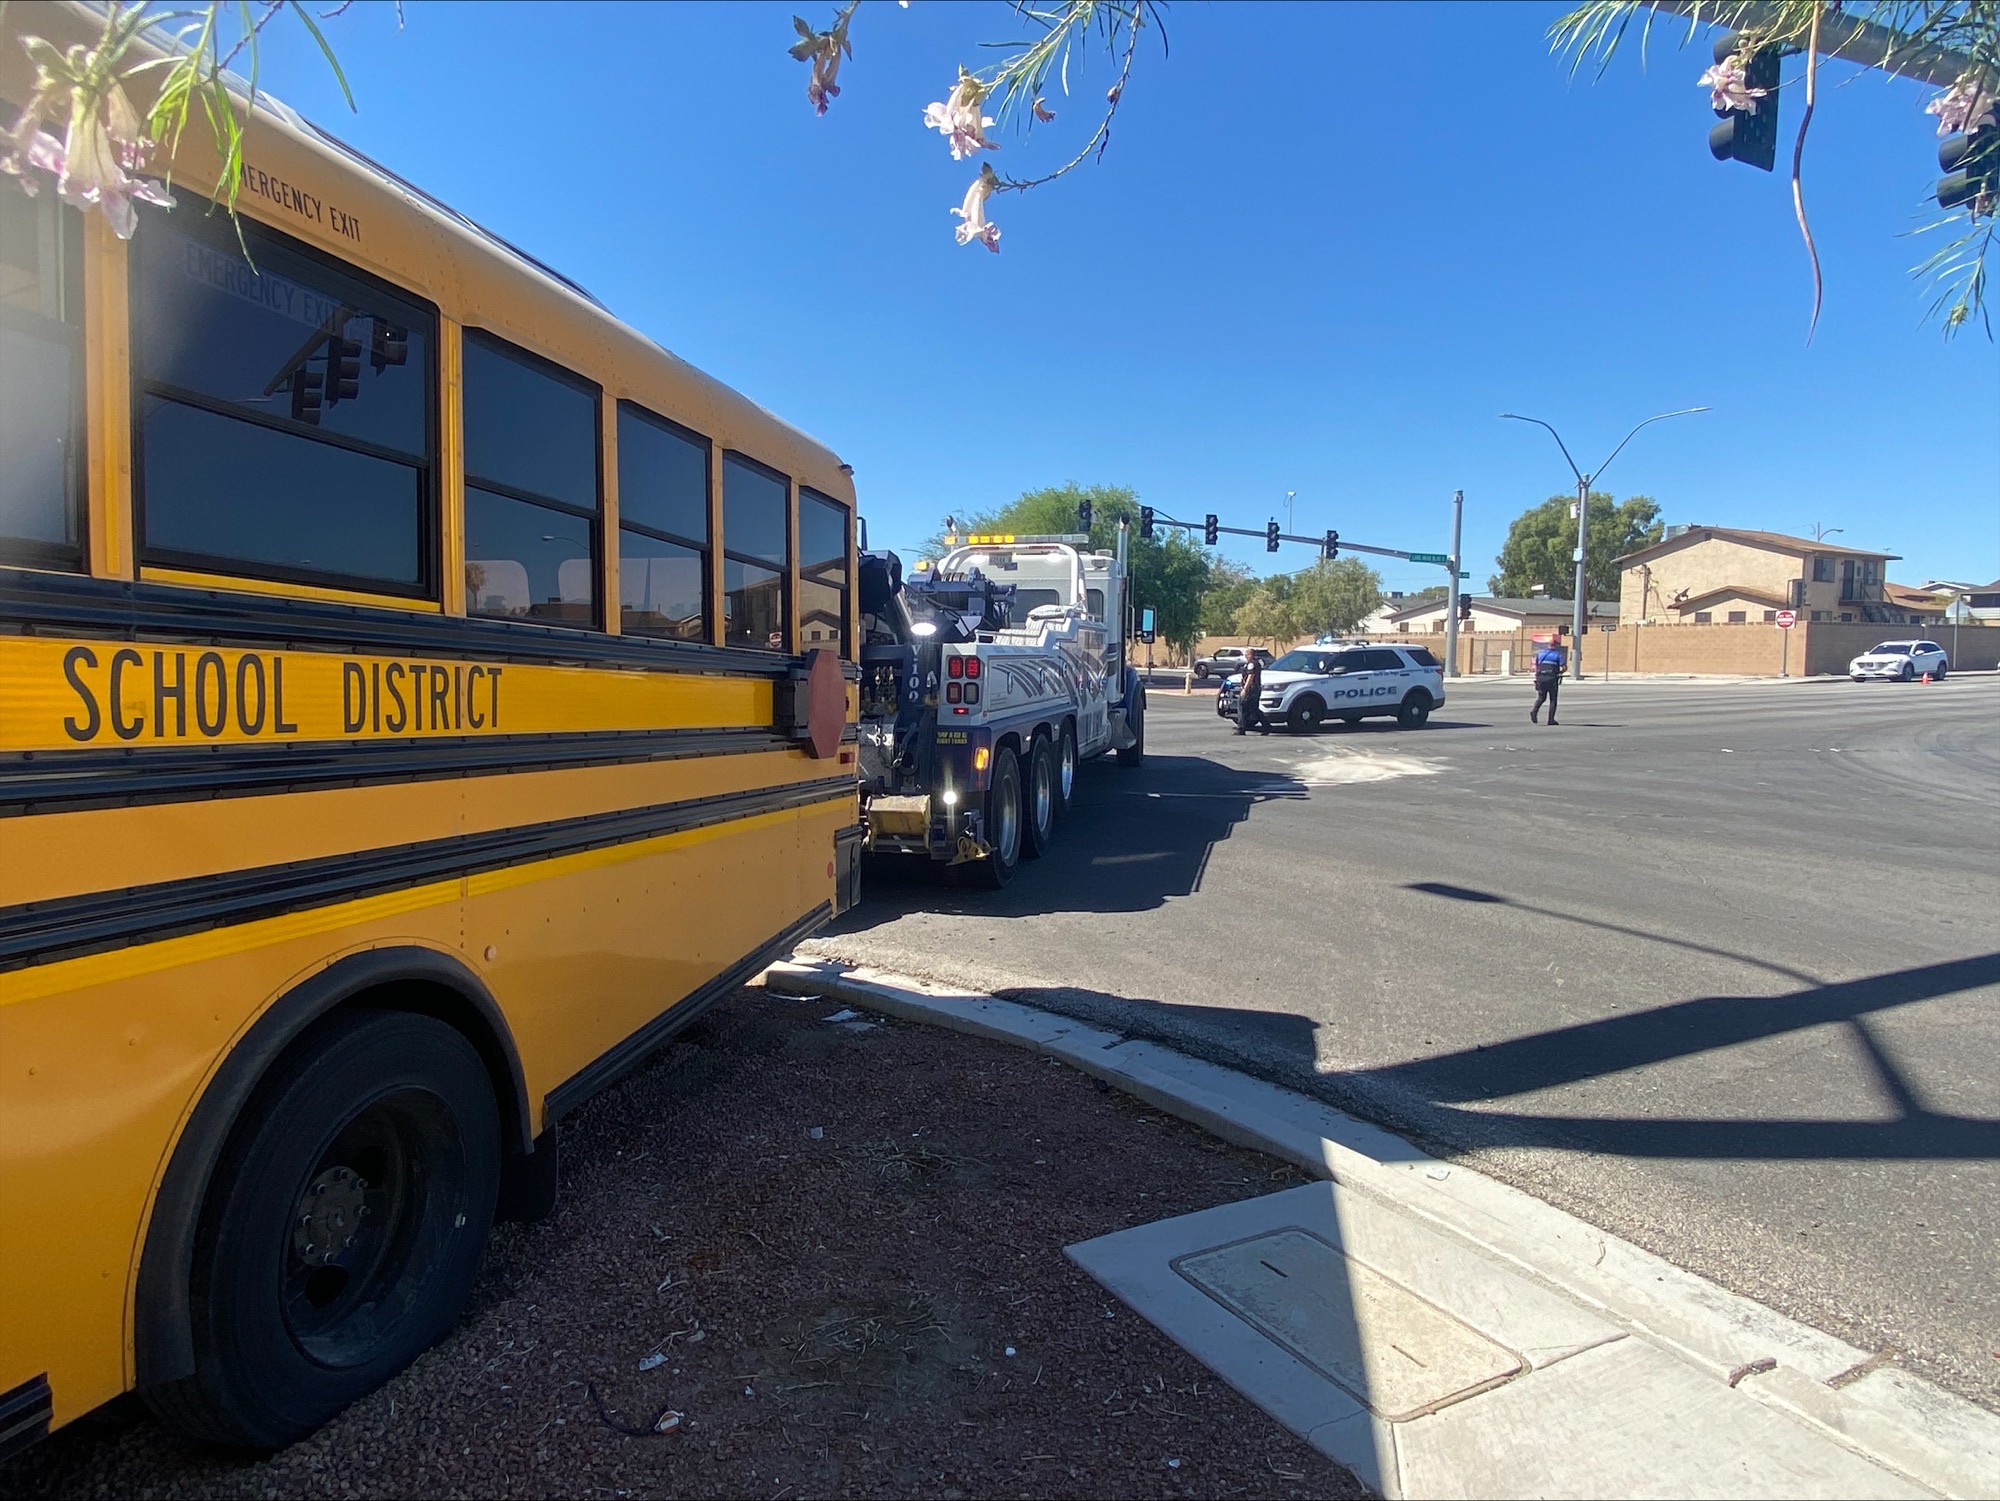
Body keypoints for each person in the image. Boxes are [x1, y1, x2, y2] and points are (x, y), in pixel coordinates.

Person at [1531, 630, 1567, 725]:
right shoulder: (1558, 655)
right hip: (1552, 679)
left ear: (1548, 645)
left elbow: (1537, 666)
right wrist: (1560, 672)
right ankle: (1551, 719)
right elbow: (1564, 667)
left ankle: (1534, 711)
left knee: (1541, 698)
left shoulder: (1540, 654)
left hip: (1541, 678)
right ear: (1555, 645)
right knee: (1553, 699)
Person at [1234, 652, 1267, 735]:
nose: (1245, 656)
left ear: (1251, 655)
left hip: (1251, 690)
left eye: (1247, 654)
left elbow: (1250, 676)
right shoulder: (1255, 663)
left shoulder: (1252, 664)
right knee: (1254, 709)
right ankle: (1267, 726)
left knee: (1242, 706)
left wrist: (1245, 689)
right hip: (1255, 689)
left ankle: (1241, 728)